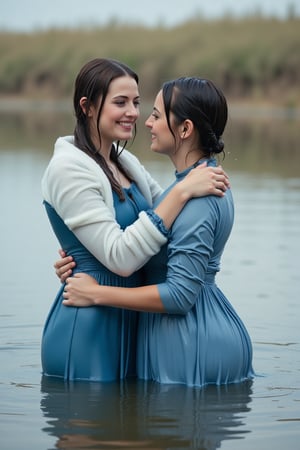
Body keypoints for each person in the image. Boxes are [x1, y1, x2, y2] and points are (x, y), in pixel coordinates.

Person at [41, 58, 229, 382]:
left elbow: (169, 226)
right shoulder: (67, 168)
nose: (133, 112)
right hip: (89, 326)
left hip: (131, 321)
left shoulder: (123, 161)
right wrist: (183, 189)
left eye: (137, 102)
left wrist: (196, 182)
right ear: (87, 106)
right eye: (120, 102)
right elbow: (122, 256)